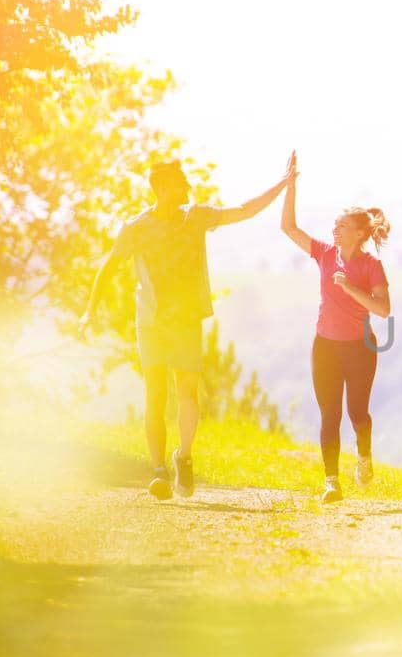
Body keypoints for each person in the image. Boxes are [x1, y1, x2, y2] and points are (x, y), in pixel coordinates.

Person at [81, 157, 293, 500]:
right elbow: (108, 267)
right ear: (162, 188)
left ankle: (184, 456)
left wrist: (281, 184)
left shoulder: (196, 216)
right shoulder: (135, 227)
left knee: (187, 394)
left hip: (186, 320)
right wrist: (89, 311)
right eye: (181, 183)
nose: (188, 188)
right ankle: (159, 471)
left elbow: (244, 210)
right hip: (151, 320)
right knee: (155, 394)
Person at [278, 151, 392, 502]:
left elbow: (384, 310)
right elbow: (289, 228)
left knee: (357, 412)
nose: (334, 230)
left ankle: (364, 455)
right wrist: (290, 186)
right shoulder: (325, 253)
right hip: (325, 345)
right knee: (330, 414)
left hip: (360, 348)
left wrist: (349, 288)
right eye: (335, 226)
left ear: (359, 234)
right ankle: (332, 482)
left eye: (341, 227)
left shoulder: (371, 266)